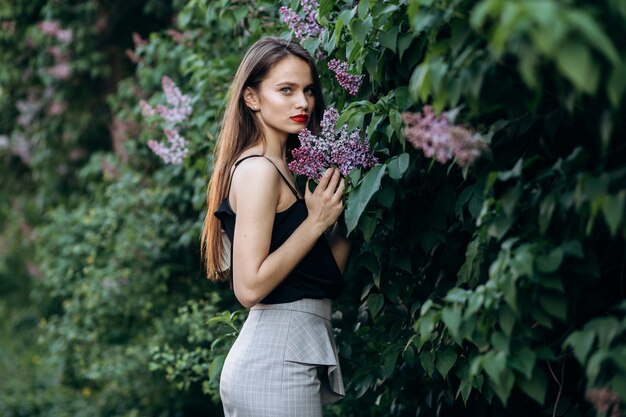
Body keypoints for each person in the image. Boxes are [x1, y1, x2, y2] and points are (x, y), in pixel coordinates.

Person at [200, 37, 351, 417]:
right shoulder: (258, 171)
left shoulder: (285, 169)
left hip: (285, 357)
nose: (303, 103)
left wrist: (349, 215)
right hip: (273, 365)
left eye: (308, 90)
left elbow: (320, 276)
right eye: (286, 90)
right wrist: (315, 222)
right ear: (251, 98)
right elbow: (249, 287)